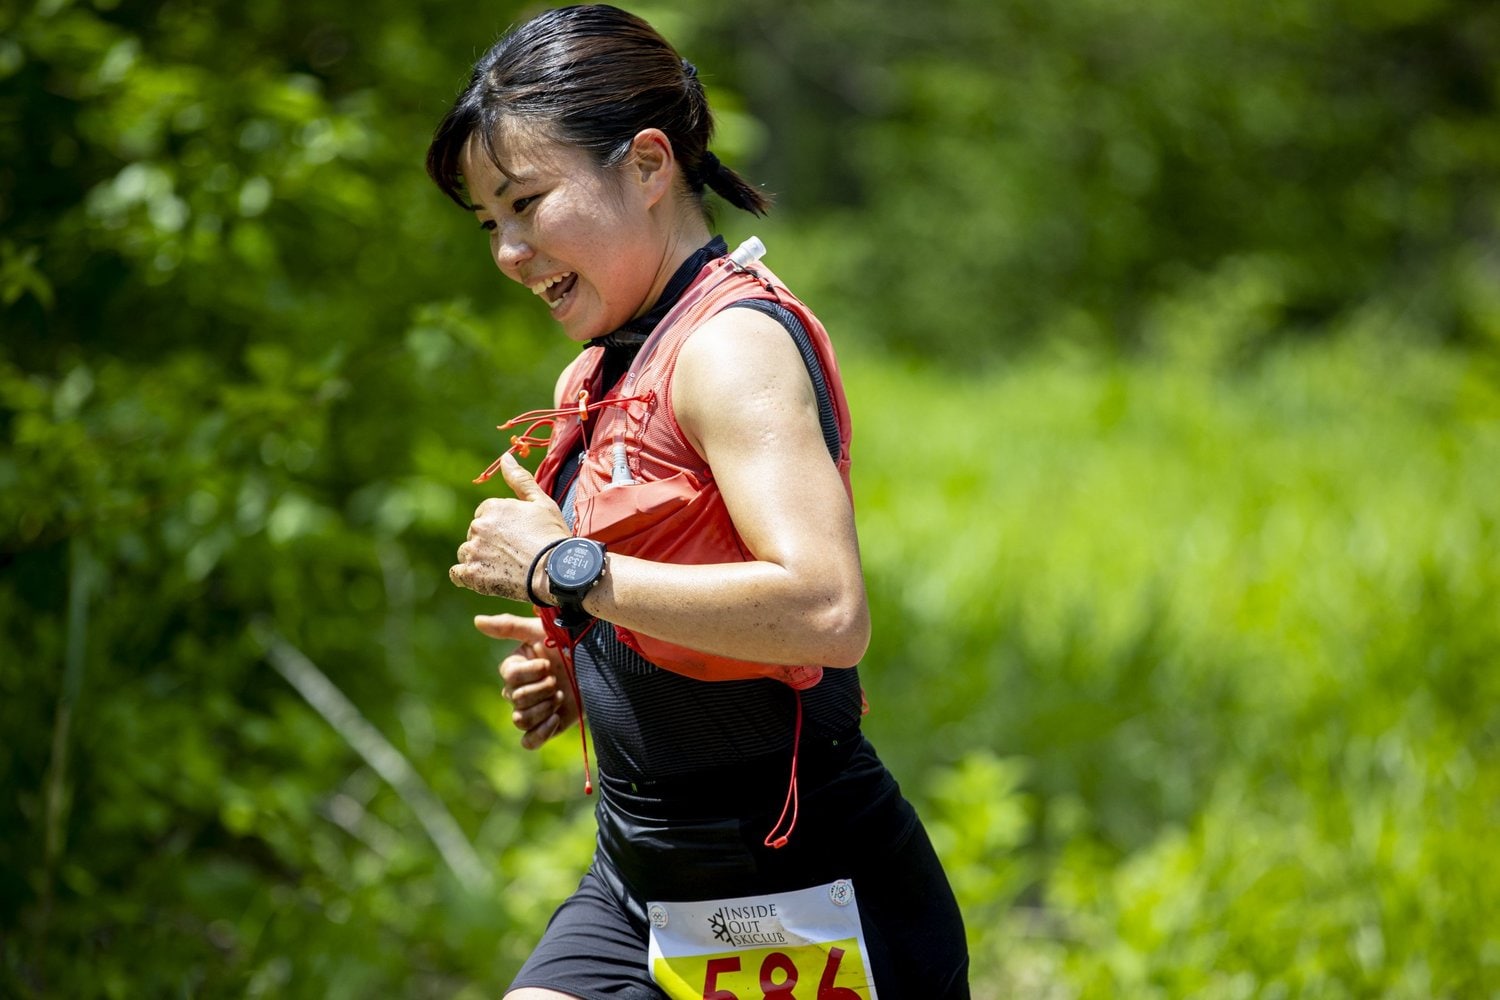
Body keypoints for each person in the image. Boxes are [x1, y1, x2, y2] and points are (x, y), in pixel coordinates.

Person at [432, 6, 969, 998]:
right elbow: (669, 581)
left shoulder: (730, 347)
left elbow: (826, 612)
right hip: (640, 883)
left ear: (646, 167)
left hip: (803, 884)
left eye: (527, 202)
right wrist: (582, 655)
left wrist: (568, 571)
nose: (508, 251)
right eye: (489, 222)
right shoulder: (592, 376)